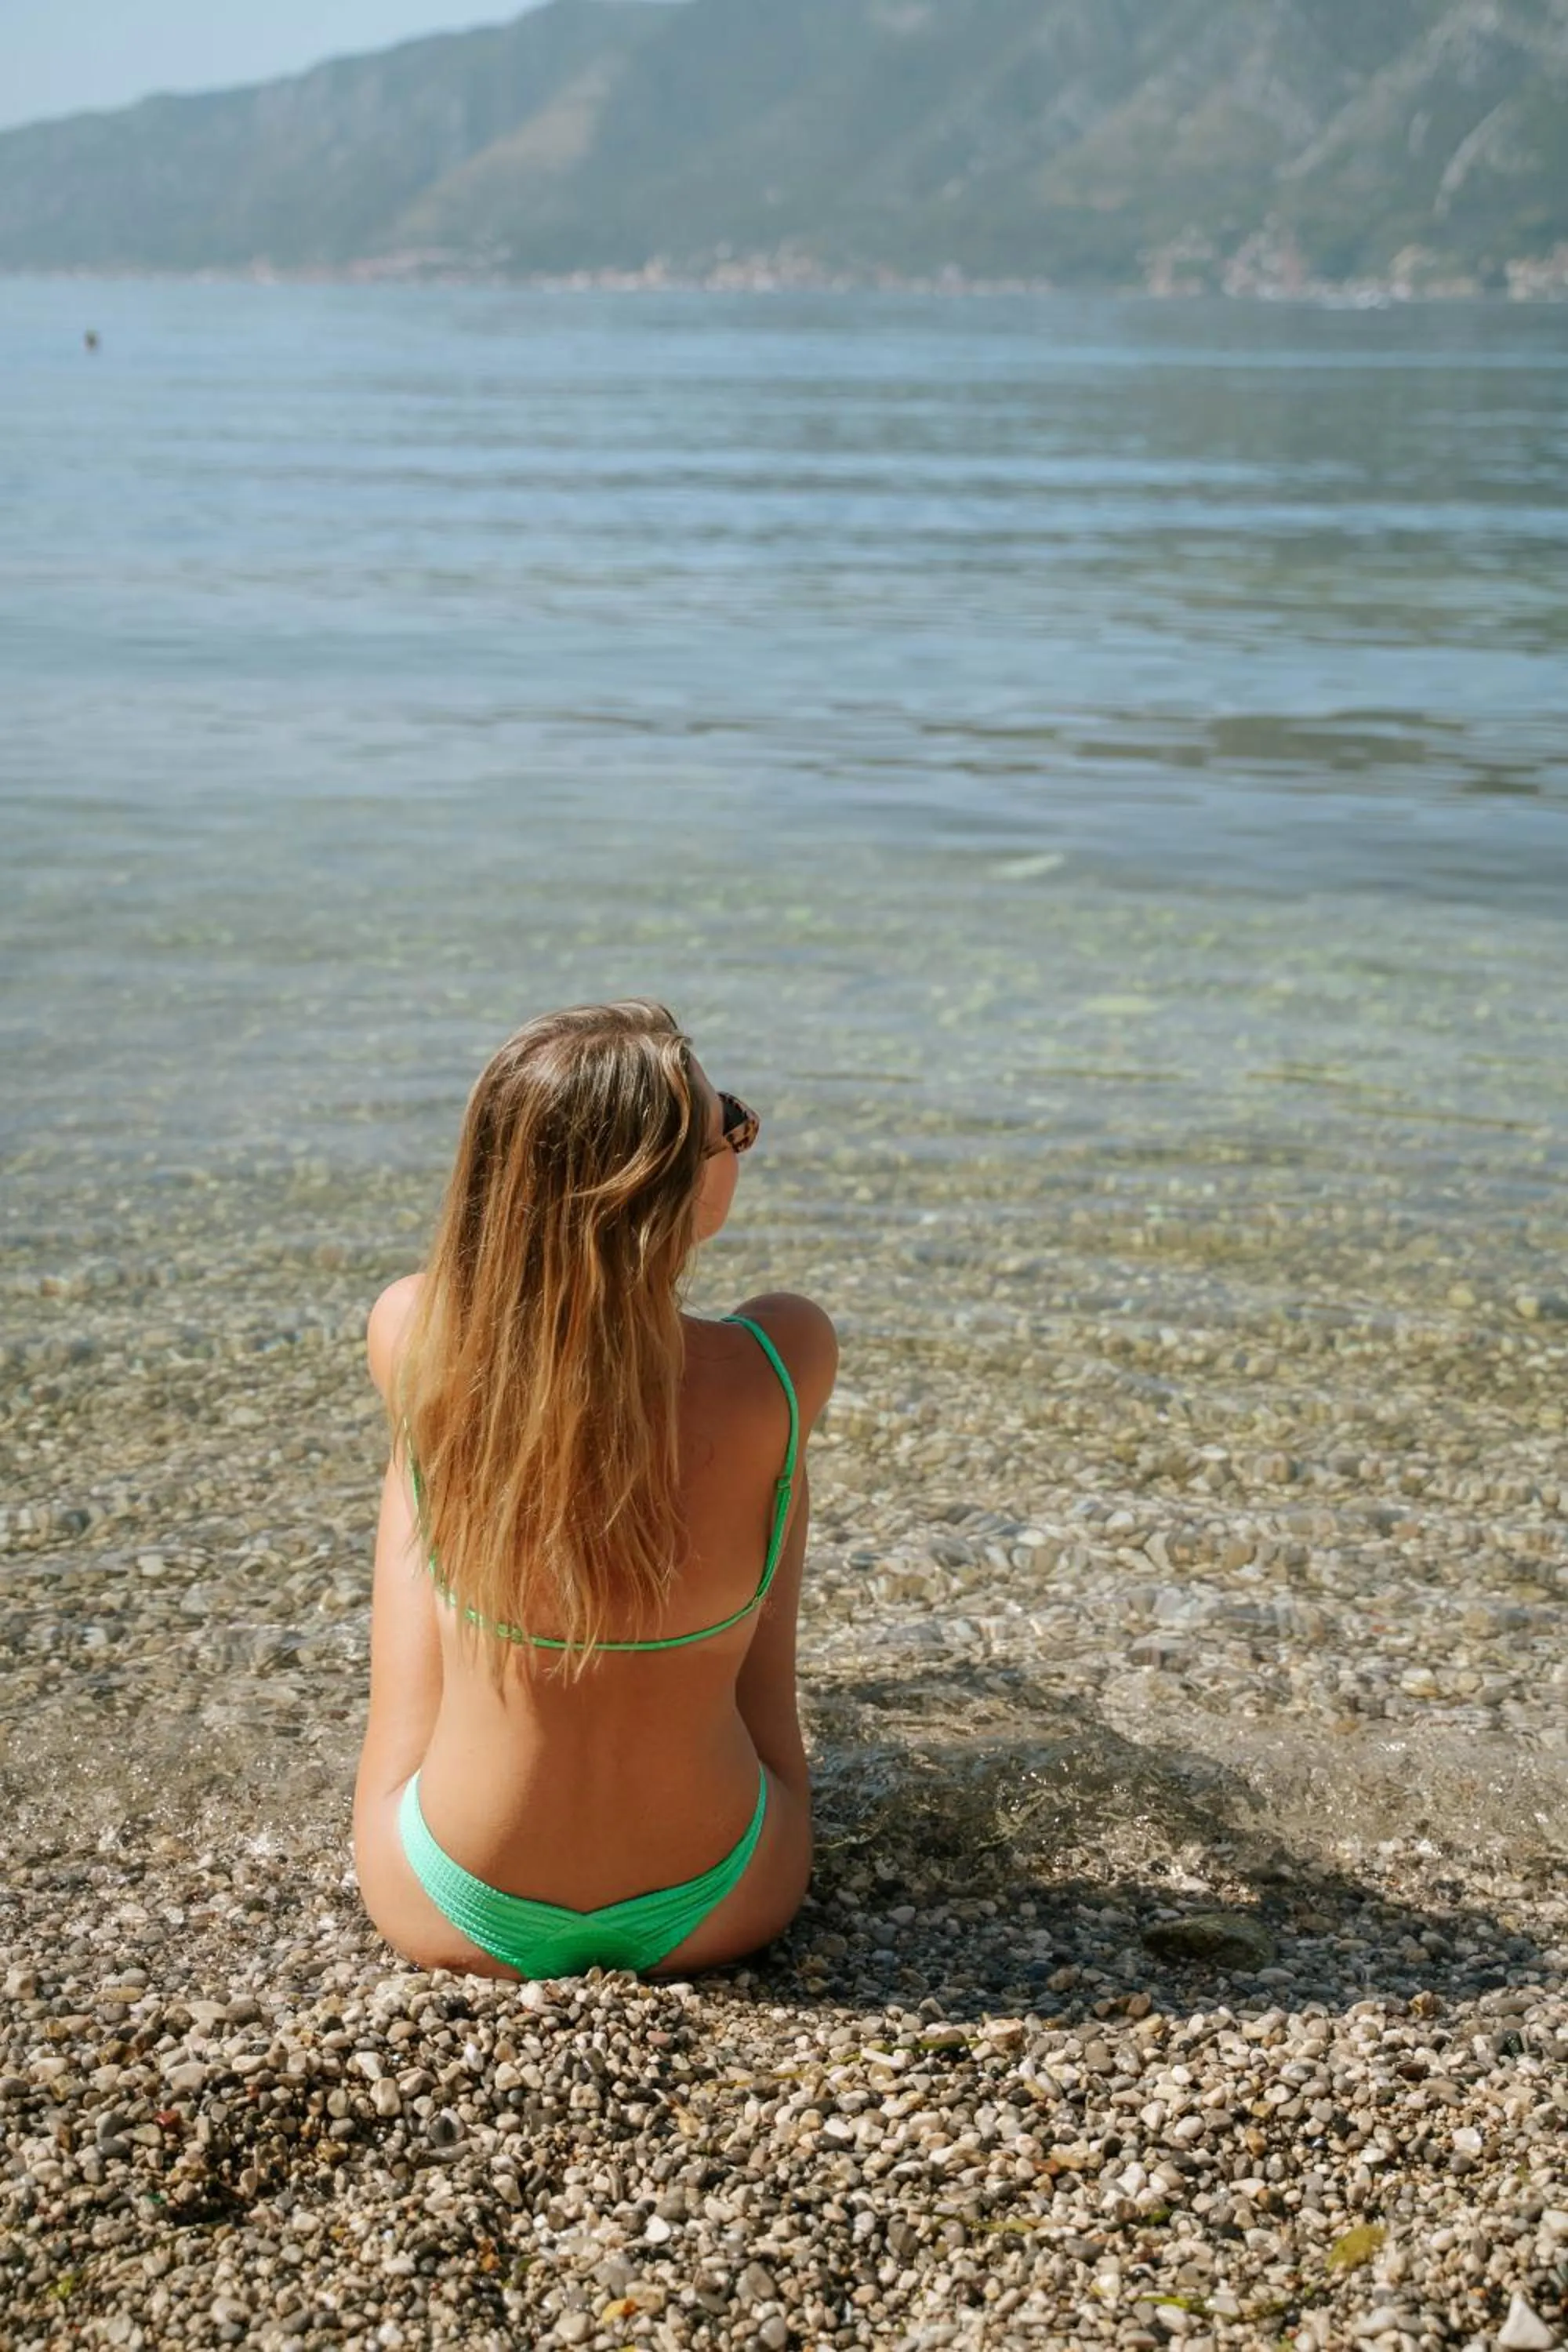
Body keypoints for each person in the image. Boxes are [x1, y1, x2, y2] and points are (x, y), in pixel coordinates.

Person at [353, 1000, 837, 1980]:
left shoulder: (412, 1331)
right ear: (679, 1195)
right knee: (769, 1476)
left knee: (427, 1445)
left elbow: (400, 1708)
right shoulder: (783, 1357)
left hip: (443, 1898)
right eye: (730, 1125)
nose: (743, 1137)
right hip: (728, 1894)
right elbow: (767, 1712)